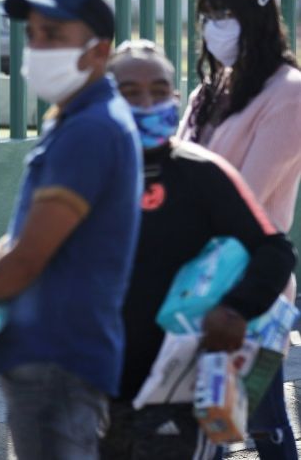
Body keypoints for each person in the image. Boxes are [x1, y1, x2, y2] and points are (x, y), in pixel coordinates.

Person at [0, 0, 142, 459]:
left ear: (98, 51)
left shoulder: (91, 128)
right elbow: (22, 236)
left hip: (59, 356)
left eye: (54, 35)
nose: (38, 47)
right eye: (34, 35)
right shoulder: (74, 120)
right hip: (50, 354)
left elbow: (29, 256)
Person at [99, 40, 296, 459]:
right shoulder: (86, 175)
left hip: (177, 394)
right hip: (98, 388)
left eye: (159, 89)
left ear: (175, 96)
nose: (147, 102)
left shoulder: (202, 173)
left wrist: (236, 309)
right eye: (130, 92)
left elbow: (274, 250)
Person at [178, 0, 301, 460]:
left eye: (225, 15)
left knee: (263, 424)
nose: (214, 27)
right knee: (200, 424)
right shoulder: (211, 89)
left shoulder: (288, 92)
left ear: (258, 17)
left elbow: (246, 193)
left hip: (251, 289)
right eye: (207, 16)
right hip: (189, 282)